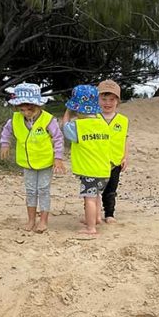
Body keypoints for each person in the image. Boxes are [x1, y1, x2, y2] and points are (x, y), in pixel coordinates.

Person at [0, 83, 66, 233]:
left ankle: (43, 220)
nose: (26, 112)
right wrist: (5, 144)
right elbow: (6, 131)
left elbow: (58, 138)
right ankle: (30, 220)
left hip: (45, 162)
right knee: (30, 190)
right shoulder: (15, 119)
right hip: (27, 162)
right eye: (22, 109)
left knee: (43, 190)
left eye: (30, 109)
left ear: (38, 106)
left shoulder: (48, 120)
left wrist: (58, 158)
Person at [61, 84, 110, 236]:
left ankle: (91, 228)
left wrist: (68, 112)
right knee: (96, 196)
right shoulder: (103, 123)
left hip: (89, 170)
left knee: (89, 198)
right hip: (103, 169)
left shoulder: (78, 126)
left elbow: (65, 127)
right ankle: (96, 218)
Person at [97, 79, 129, 224]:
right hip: (96, 160)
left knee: (111, 190)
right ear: (98, 99)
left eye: (111, 99)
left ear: (117, 101)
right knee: (94, 190)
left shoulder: (123, 120)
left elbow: (124, 139)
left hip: (114, 161)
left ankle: (109, 213)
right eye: (104, 99)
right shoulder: (93, 118)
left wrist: (125, 157)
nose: (107, 103)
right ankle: (93, 214)